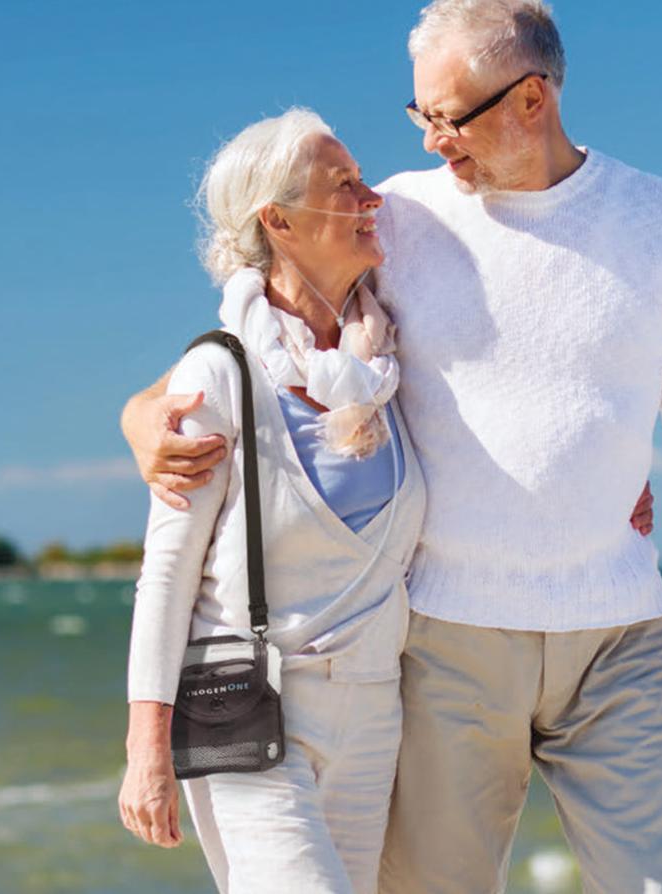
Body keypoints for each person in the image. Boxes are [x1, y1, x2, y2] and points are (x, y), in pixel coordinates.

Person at [122, 1, 662, 892]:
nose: (432, 143)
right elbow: (256, 328)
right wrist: (141, 417)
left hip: (616, 625)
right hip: (445, 640)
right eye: (419, 115)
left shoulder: (655, 218)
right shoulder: (399, 217)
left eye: (449, 117)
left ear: (531, 99)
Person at [117, 109, 428, 894]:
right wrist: (146, 750)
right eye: (344, 184)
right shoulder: (218, 374)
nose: (371, 198)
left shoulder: (384, 368)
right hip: (249, 713)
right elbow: (166, 576)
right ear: (279, 221)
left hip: (374, 713)